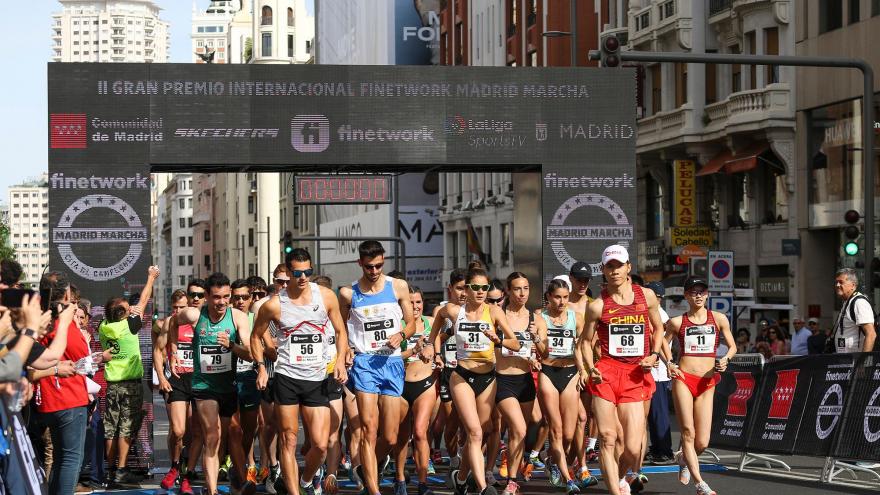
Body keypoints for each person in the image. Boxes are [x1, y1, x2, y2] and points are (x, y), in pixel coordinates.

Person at [252, 249, 349, 495]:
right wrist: (262, 368)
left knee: (320, 444)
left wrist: (339, 361)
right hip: (287, 378)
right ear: (288, 271)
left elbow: (340, 331)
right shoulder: (275, 305)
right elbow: (255, 337)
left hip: (317, 379)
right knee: (289, 440)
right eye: (297, 273)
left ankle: (305, 479)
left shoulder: (325, 296)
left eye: (308, 272)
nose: (304, 277)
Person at [427, 260, 520, 495]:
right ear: (466, 289)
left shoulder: (495, 312)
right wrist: (432, 347)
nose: (480, 293)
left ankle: (460, 477)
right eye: (475, 288)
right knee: (475, 432)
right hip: (461, 376)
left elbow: (516, 344)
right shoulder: (452, 311)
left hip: (488, 377)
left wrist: (497, 339)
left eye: (484, 288)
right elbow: (437, 324)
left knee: (481, 432)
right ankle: (482, 487)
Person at [579, 245, 665, 495]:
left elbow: (658, 329)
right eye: (609, 266)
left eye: (619, 265)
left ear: (629, 267)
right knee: (607, 437)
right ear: (603, 270)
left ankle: (618, 477)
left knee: (633, 448)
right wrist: (590, 367)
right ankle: (616, 490)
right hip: (606, 372)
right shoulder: (597, 305)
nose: (614, 271)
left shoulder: (646, 296)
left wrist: (654, 354)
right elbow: (585, 342)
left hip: (636, 373)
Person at [339, 241, 416, 495]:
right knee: (369, 430)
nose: (374, 271)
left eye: (379, 266)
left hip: (391, 362)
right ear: (360, 263)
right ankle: (374, 490)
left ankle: (366, 467)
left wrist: (401, 334)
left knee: (391, 437)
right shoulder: (349, 294)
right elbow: (340, 327)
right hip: (365, 364)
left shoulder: (398, 287)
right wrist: (346, 350)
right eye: (369, 266)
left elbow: (412, 323)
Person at [171, 272, 255, 495]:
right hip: (203, 387)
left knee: (228, 436)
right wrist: (172, 349)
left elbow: (249, 354)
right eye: (217, 297)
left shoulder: (238, 317)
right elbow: (172, 322)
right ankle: (213, 490)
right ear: (207, 296)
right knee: (212, 435)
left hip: (228, 387)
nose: (222, 302)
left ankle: (230, 481)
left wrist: (232, 346)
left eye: (226, 297)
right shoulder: (194, 315)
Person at [664, 277, 736, 495]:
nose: (697, 295)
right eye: (693, 292)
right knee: (688, 431)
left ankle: (683, 458)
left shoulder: (719, 318)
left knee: (702, 442)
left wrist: (726, 359)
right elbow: (661, 341)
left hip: (707, 381)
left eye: (701, 292)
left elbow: (732, 346)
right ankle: (700, 484)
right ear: (686, 295)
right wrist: (669, 362)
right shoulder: (677, 322)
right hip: (684, 379)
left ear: (707, 295)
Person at [98, 266, 159, 485]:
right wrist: (151, 277)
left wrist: (125, 309)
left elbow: (129, 308)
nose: (132, 307)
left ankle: (110, 470)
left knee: (110, 428)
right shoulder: (129, 327)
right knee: (125, 427)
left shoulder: (105, 327)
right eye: (127, 307)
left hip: (112, 385)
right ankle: (122, 470)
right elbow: (143, 301)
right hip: (130, 385)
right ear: (123, 314)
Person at [35, 271, 93, 495]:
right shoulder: (63, 321)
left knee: (60, 459)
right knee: (70, 460)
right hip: (66, 397)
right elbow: (79, 352)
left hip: (49, 398)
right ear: (67, 294)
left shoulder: (40, 317)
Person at [535, 279, 594, 494]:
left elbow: (580, 347)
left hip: (570, 373)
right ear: (549, 297)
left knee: (569, 434)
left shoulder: (576, 318)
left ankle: (553, 461)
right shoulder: (540, 319)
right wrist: (538, 339)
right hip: (548, 373)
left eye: (566, 297)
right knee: (557, 428)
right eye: (557, 297)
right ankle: (568, 478)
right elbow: (543, 353)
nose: (562, 301)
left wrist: (584, 369)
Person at [156, 280, 207, 495]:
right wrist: (162, 378)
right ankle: (175, 466)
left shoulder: (206, 322)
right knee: (178, 430)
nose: (183, 310)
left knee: (196, 432)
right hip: (177, 379)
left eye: (197, 297)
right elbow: (159, 351)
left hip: (200, 380)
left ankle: (187, 474)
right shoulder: (170, 323)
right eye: (178, 307)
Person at [493, 272, 539, 495]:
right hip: (503, 379)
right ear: (508, 291)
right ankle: (511, 480)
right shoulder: (498, 315)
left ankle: (511, 471)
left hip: (525, 381)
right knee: (518, 429)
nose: (522, 293)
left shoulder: (534, 317)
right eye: (518, 289)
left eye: (526, 288)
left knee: (518, 433)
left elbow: (545, 351)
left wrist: (537, 341)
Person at [393, 286, 436, 495]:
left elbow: (436, 346)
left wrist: (432, 352)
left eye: (418, 302)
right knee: (401, 436)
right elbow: (391, 357)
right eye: (410, 302)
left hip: (425, 384)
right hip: (401, 385)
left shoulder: (431, 323)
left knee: (420, 432)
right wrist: (413, 350)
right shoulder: (397, 325)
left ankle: (422, 483)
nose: (415, 306)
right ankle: (400, 479)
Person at [430, 269, 467, 471]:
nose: (463, 293)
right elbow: (433, 337)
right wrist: (448, 333)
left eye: (466, 289)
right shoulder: (442, 310)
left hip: (470, 371)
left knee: (472, 424)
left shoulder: (475, 309)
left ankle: (468, 460)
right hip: (448, 371)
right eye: (459, 289)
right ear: (450, 288)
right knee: (451, 423)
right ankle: (454, 460)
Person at [229, 279, 261, 487]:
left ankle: (237, 463)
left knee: (251, 428)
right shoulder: (226, 318)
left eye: (245, 297)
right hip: (228, 379)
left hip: (250, 377)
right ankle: (239, 470)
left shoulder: (256, 319)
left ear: (251, 298)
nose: (240, 301)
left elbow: (263, 347)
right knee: (234, 430)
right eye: (236, 297)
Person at [643, 282, 675, 467]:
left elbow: (661, 340)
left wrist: (667, 362)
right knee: (652, 415)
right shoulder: (654, 313)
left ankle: (664, 451)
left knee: (659, 414)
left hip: (658, 372)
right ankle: (656, 448)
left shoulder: (659, 314)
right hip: (652, 370)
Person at [832, 268, 877, 353]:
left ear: (853, 285)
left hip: (855, 362)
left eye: (841, 282)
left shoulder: (859, 303)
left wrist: (862, 363)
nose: (837, 285)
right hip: (846, 361)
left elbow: (871, 334)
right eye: (836, 282)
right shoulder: (847, 302)